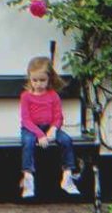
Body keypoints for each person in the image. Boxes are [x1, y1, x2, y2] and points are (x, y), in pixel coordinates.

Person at [19, 56, 80, 198]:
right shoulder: (26, 97)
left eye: (42, 80)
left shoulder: (53, 96)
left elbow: (58, 117)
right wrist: (40, 134)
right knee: (27, 143)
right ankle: (28, 178)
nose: (38, 84)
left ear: (49, 79)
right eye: (35, 80)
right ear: (30, 79)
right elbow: (26, 120)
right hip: (31, 129)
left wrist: (53, 129)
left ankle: (67, 176)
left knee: (66, 140)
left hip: (49, 127)